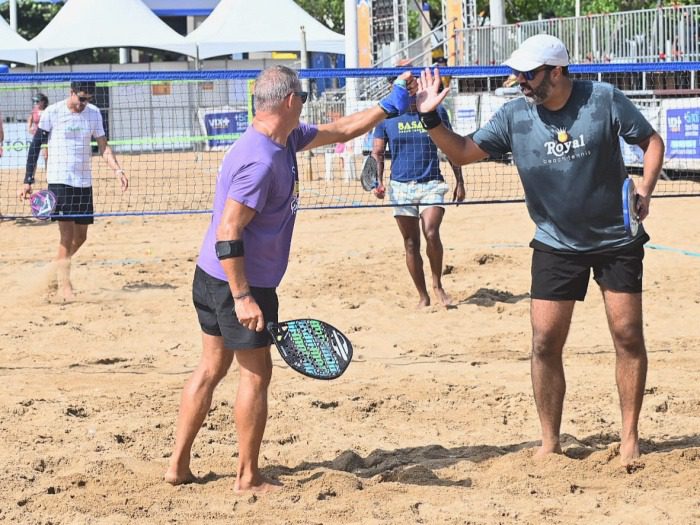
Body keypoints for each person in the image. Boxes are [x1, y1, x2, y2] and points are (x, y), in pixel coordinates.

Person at [414, 34, 665, 465]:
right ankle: (550, 443)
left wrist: (646, 184)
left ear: (557, 70)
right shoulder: (514, 115)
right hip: (555, 242)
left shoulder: (603, 99)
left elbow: (651, 142)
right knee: (545, 341)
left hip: (615, 239)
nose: (520, 82)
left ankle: (629, 439)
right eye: (518, 74)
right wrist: (431, 119)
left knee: (627, 336)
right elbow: (463, 151)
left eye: (528, 74)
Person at [164, 65, 416, 493]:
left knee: (210, 368)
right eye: (301, 95)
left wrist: (391, 102)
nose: (305, 100)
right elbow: (229, 231)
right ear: (289, 102)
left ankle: (177, 466)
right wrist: (244, 297)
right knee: (256, 375)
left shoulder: (282, 140)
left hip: (208, 276)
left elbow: (340, 131)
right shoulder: (261, 162)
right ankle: (247, 477)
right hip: (238, 282)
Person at [19, 81, 128, 300]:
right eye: (81, 98)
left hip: (83, 181)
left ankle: (54, 269)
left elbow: (103, 147)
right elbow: (35, 145)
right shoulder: (53, 112)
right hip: (60, 179)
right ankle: (64, 285)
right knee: (66, 236)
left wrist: (118, 170)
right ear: (71, 93)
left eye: (88, 99)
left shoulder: (94, 114)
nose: (83, 104)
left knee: (81, 237)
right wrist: (28, 179)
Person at [371, 78, 464, 307]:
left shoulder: (436, 110)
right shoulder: (387, 115)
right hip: (400, 186)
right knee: (411, 243)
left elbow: (451, 146)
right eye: (405, 87)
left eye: (412, 86)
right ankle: (423, 296)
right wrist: (377, 181)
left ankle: (437, 285)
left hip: (431, 182)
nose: (410, 91)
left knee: (431, 232)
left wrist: (460, 181)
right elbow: (378, 152)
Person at [27, 93, 49, 164]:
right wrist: (29, 128)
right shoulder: (34, 110)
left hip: (46, 136)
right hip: (36, 136)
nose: (35, 103)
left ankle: (47, 174)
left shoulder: (48, 110)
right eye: (34, 101)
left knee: (46, 156)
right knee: (33, 158)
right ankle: (31, 174)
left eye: (37, 101)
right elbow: (30, 119)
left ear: (43, 102)